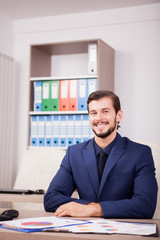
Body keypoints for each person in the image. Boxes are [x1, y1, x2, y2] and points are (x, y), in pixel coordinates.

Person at [44, 90, 158, 218]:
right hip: (83, 229)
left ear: (118, 115)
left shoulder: (140, 153)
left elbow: (146, 205)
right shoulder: (74, 153)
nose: (98, 118)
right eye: (93, 113)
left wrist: (95, 210)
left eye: (105, 111)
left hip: (123, 232)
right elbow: (51, 199)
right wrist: (90, 207)